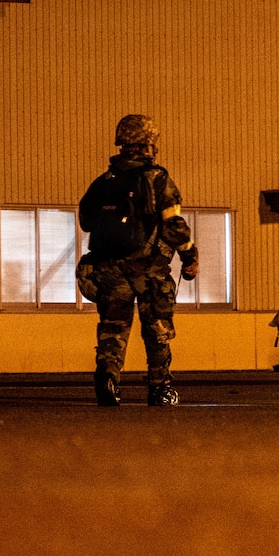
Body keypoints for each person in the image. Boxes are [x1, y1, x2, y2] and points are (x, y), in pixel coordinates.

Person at [76, 114, 196, 406]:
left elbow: (86, 222)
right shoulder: (158, 178)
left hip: (108, 268)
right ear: (148, 144)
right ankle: (160, 387)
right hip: (148, 269)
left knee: (113, 327)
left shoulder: (104, 181)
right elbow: (174, 223)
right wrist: (189, 255)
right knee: (156, 329)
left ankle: (108, 378)